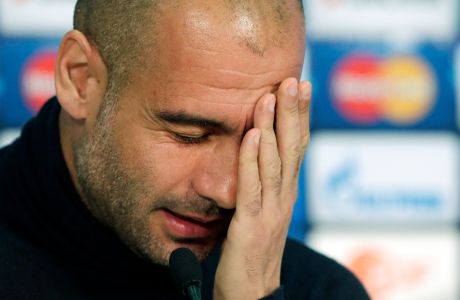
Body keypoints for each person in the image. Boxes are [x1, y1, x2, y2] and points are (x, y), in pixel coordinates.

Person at [0, 1, 369, 299]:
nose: (226, 192)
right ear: (81, 80)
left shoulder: (319, 290)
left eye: (259, 137)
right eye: (189, 135)